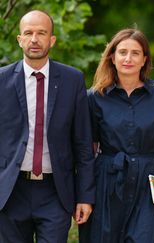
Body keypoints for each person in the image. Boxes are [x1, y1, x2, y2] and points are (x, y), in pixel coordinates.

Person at [79, 28, 154, 242]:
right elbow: (87, 150)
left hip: (148, 183)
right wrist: (85, 195)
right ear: (112, 57)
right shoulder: (94, 97)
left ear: (144, 59)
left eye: (135, 53)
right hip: (106, 182)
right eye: (123, 52)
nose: (128, 58)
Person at [0, 10, 95, 242]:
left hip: (56, 191)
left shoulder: (72, 80)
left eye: (41, 33)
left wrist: (84, 196)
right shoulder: (1, 80)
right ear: (19, 39)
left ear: (52, 40)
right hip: (10, 191)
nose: (34, 39)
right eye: (28, 33)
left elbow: (83, 143)